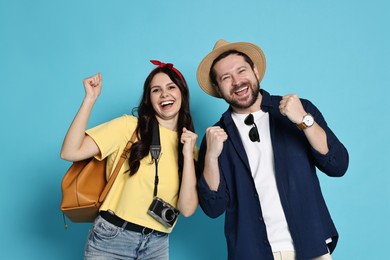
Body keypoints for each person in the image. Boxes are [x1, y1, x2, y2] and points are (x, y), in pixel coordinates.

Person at [195, 40, 349, 260]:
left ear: (255, 71)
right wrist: (211, 156)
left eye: (241, 71)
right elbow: (213, 208)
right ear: (218, 89)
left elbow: (338, 165)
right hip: (252, 252)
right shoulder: (215, 136)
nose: (237, 82)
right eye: (226, 78)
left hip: (311, 245)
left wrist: (304, 121)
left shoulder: (297, 110)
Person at [60, 60, 198, 259]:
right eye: (156, 90)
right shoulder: (129, 127)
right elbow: (70, 152)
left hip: (157, 245)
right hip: (112, 239)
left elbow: (186, 209)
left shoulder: (191, 147)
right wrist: (90, 99)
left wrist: (187, 152)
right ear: (149, 99)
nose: (164, 94)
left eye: (171, 87)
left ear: (182, 94)